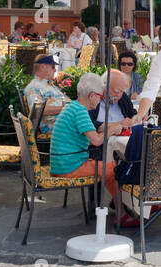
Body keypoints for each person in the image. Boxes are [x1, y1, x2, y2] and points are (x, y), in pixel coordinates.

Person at [47, 73, 119, 211]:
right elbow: (97, 141)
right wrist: (113, 129)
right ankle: (122, 212)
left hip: (61, 164)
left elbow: (88, 140)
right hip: (69, 167)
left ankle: (119, 207)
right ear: (92, 96)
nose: (100, 100)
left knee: (109, 168)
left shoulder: (71, 107)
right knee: (114, 169)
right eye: (101, 96)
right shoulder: (80, 111)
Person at [25, 55, 69, 134]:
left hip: (65, 121)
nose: (55, 70)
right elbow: (38, 110)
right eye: (53, 67)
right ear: (43, 67)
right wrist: (64, 109)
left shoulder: (50, 85)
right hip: (54, 126)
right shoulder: (33, 87)